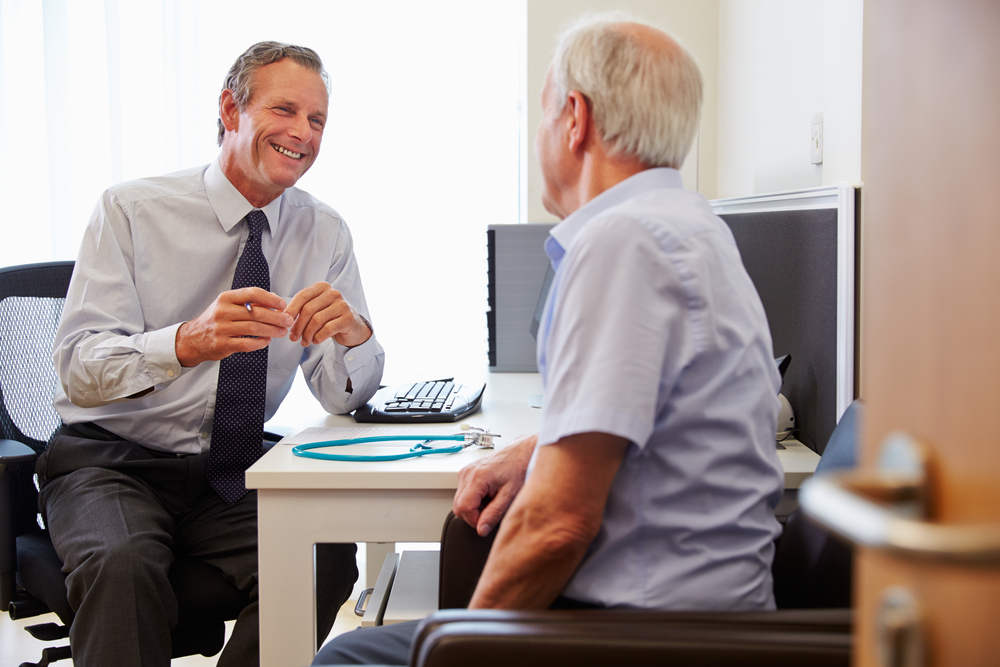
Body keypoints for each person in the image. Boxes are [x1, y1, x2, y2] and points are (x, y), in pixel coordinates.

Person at [313, 12, 783, 666]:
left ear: (574, 117)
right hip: (705, 616)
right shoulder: (687, 226)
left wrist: (458, 648)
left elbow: (557, 525)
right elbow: (653, 409)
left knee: (345, 658)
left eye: (541, 115)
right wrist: (541, 448)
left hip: (655, 635)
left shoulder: (624, 244)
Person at [39, 41, 384, 667]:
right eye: (285, 110)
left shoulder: (324, 231)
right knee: (123, 565)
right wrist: (183, 343)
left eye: (317, 120)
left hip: (234, 469)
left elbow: (341, 395)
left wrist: (354, 338)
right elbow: (76, 369)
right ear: (231, 109)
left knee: (323, 555)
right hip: (113, 461)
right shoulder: (131, 211)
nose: (302, 134)